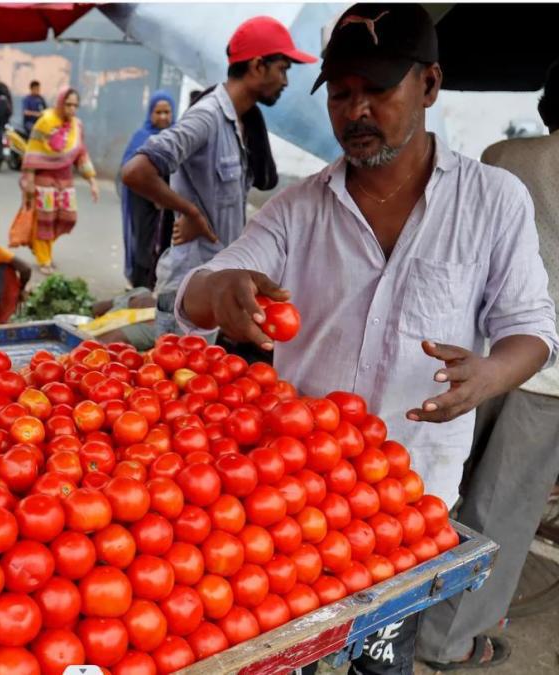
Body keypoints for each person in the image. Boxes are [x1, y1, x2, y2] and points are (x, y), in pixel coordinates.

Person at [176, 5, 558, 674]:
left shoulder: (495, 199)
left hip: (406, 499)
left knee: (381, 660)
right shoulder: (299, 208)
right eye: (343, 93)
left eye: (378, 90)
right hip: (290, 494)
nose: (357, 110)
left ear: (430, 85)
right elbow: (201, 285)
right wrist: (225, 290)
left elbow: (532, 329)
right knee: (283, 652)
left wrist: (490, 374)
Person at [415, 59, 559, 671]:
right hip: (548, 375)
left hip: (475, 355)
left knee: (439, 488)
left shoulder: (506, 157)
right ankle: (446, 641)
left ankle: (392, 610)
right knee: (502, 509)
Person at [121, 16, 316, 337]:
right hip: (189, 290)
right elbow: (136, 171)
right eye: (282, 68)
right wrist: (190, 212)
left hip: (215, 283)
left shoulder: (240, 122)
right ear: (257, 66)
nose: (285, 81)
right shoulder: (208, 116)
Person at [20, 87, 99, 275]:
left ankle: (41, 247)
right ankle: (44, 258)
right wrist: (29, 182)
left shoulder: (77, 126)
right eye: (68, 104)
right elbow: (32, 152)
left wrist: (92, 181)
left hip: (65, 179)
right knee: (45, 219)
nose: (72, 109)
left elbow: (81, 153)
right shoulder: (45, 122)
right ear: (60, 103)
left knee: (67, 218)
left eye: (75, 105)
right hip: (44, 179)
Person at [120, 91, 176, 289]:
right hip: (142, 202)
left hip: (168, 203)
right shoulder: (141, 137)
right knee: (144, 243)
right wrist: (153, 193)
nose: (163, 117)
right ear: (150, 113)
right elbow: (127, 170)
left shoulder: (178, 136)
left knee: (165, 245)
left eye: (167, 112)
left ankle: (157, 287)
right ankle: (140, 286)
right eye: (158, 112)